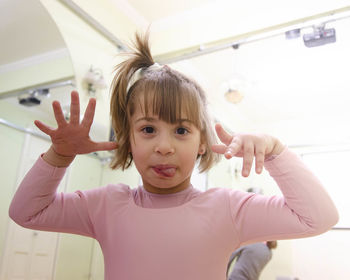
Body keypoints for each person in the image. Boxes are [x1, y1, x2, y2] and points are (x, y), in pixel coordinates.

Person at [9, 32, 338, 280]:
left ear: (202, 143)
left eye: (181, 130)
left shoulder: (228, 208)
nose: (163, 147)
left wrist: (275, 150)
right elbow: (26, 213)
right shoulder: (105, 205)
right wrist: (58, 156)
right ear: (128, 138)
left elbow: (319, 217)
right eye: (148, 130)